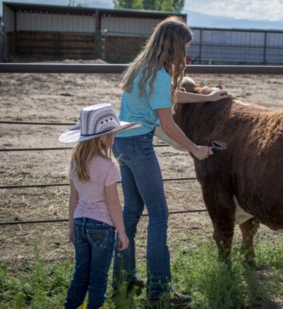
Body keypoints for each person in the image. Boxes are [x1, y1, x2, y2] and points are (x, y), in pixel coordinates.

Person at [111, 16, 228, 306]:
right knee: (160, 216)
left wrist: (208, 98)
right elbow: (168, 123)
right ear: (174, 46)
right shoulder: (160, 75)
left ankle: (123, 278)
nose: (186, 55)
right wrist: (195, 148)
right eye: (185, 47)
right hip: (139, 146)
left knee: (132, 211)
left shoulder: (142, 66)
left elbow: (168, 96)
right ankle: (159, 291)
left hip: (122, 143)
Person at [60, 103, 140, 309]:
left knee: (80, 274)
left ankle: (70, 306)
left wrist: (71, 227)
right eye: (113, 133)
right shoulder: (108, 166)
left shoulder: (75, 162)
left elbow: (73, 198)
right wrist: (122, 233)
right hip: (101, 228)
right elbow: (113, 204)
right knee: (97, 278)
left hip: (79, 225)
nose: (114, 137)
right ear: (104, 137)